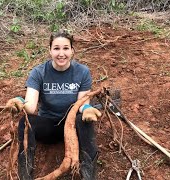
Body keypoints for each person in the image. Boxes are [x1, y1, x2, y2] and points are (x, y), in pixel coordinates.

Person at [6, 29, 102, 180]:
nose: (61, 53)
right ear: (50, 50)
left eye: (66, 48)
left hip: (72, 128)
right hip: (49, 126)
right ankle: (25, 175)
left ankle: (89, 174)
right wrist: (20, 102)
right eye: (56, 48)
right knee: (25, 122)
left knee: (84, 120)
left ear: (72, 50)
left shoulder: (82, 72)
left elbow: (82, 103)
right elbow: (31, 107)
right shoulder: (39, 73)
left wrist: (87, 109)